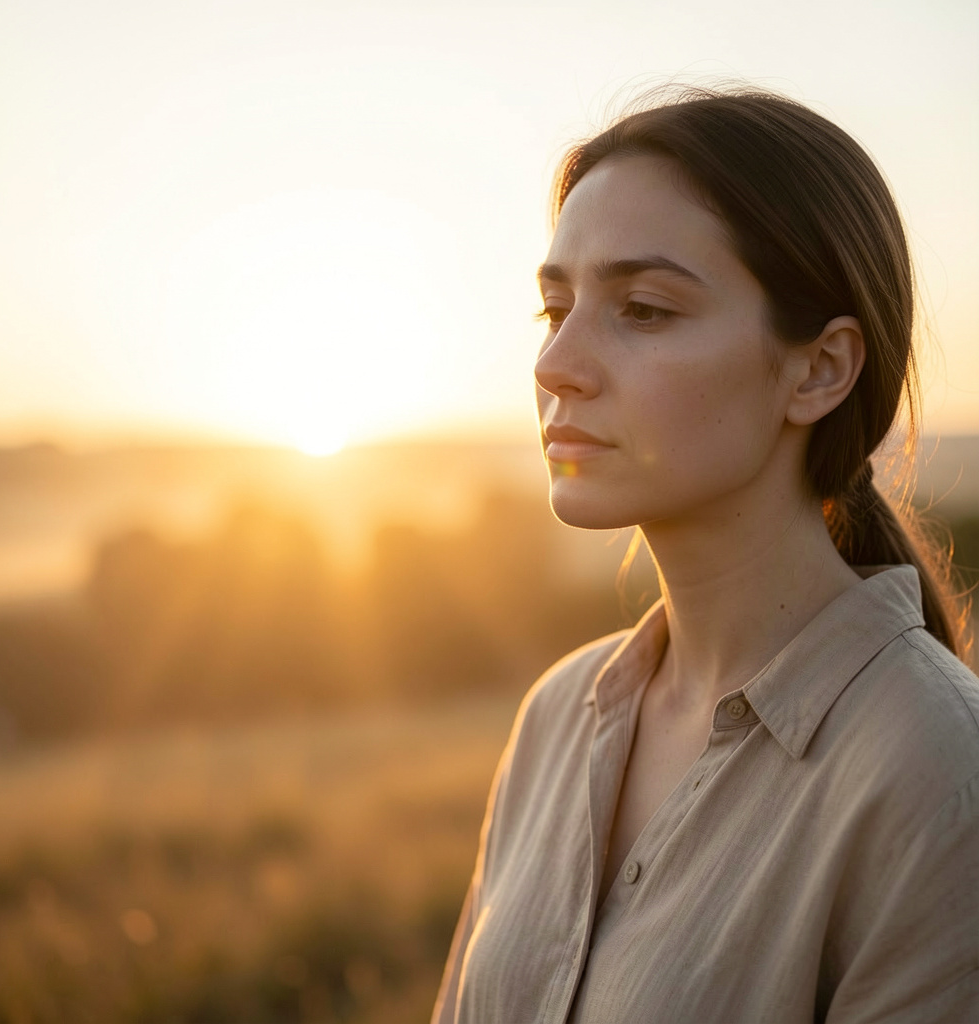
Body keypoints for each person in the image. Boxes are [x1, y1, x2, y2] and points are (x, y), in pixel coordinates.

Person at [432, 87, 979, 1024]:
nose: (556, 363)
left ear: (820, 370)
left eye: (642, 309)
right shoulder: (559, 715)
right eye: (554, 308)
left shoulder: (937, 772)